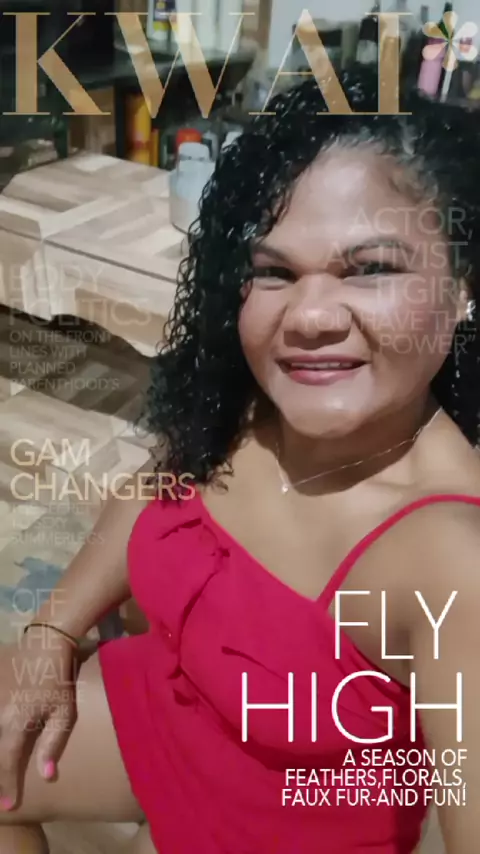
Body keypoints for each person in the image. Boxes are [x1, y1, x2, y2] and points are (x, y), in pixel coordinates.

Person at [0, 66, 479, 854]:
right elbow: (157, 490)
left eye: (371, 268)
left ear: (462, 291)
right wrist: (52, 632)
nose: (309, 317)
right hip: (171, 711)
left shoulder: (453, 559)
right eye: (275, 272)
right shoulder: (258, 404)